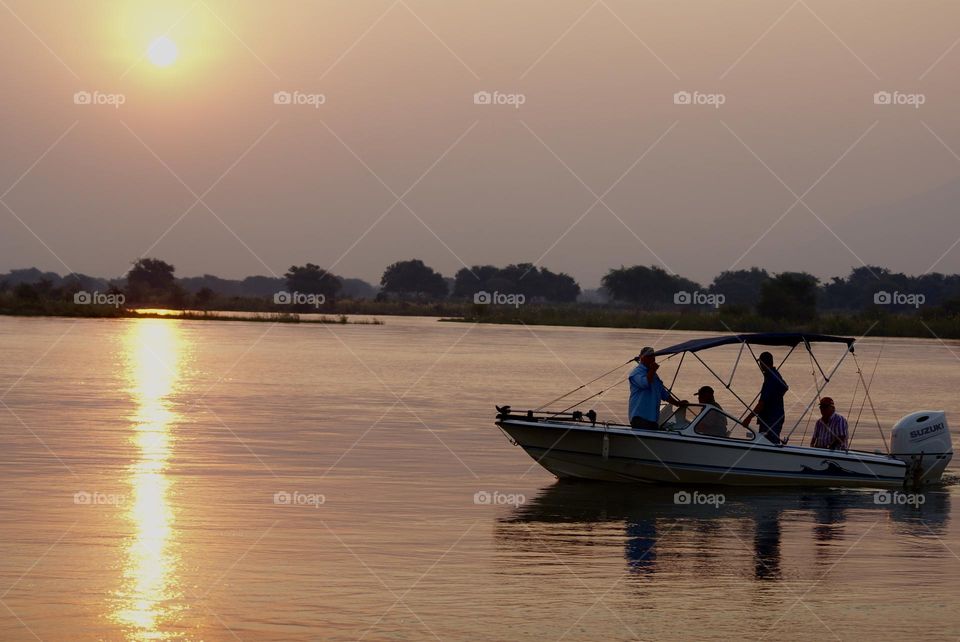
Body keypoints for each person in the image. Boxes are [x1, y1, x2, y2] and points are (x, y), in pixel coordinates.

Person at [628, 346, 688, 429]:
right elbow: (645, 384)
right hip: (640, 418)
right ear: (642, 358)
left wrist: (677, 403)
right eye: (649, 356)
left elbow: (664, 394)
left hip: (653, 419)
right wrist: (652, 370)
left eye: (653, 356)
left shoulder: (654, 376)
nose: (652, 359)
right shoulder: (636, 373)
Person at [744, 351, 789, 444]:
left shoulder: (770, 379)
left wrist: (748, 418)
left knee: (769, 443)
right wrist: (776, 397)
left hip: (771, 419)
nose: (760, 366)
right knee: (766, 441)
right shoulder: (776, 374)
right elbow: (785, 387)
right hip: (776, 416)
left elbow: (761, 404)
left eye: (760, 363)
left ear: (763, 363)